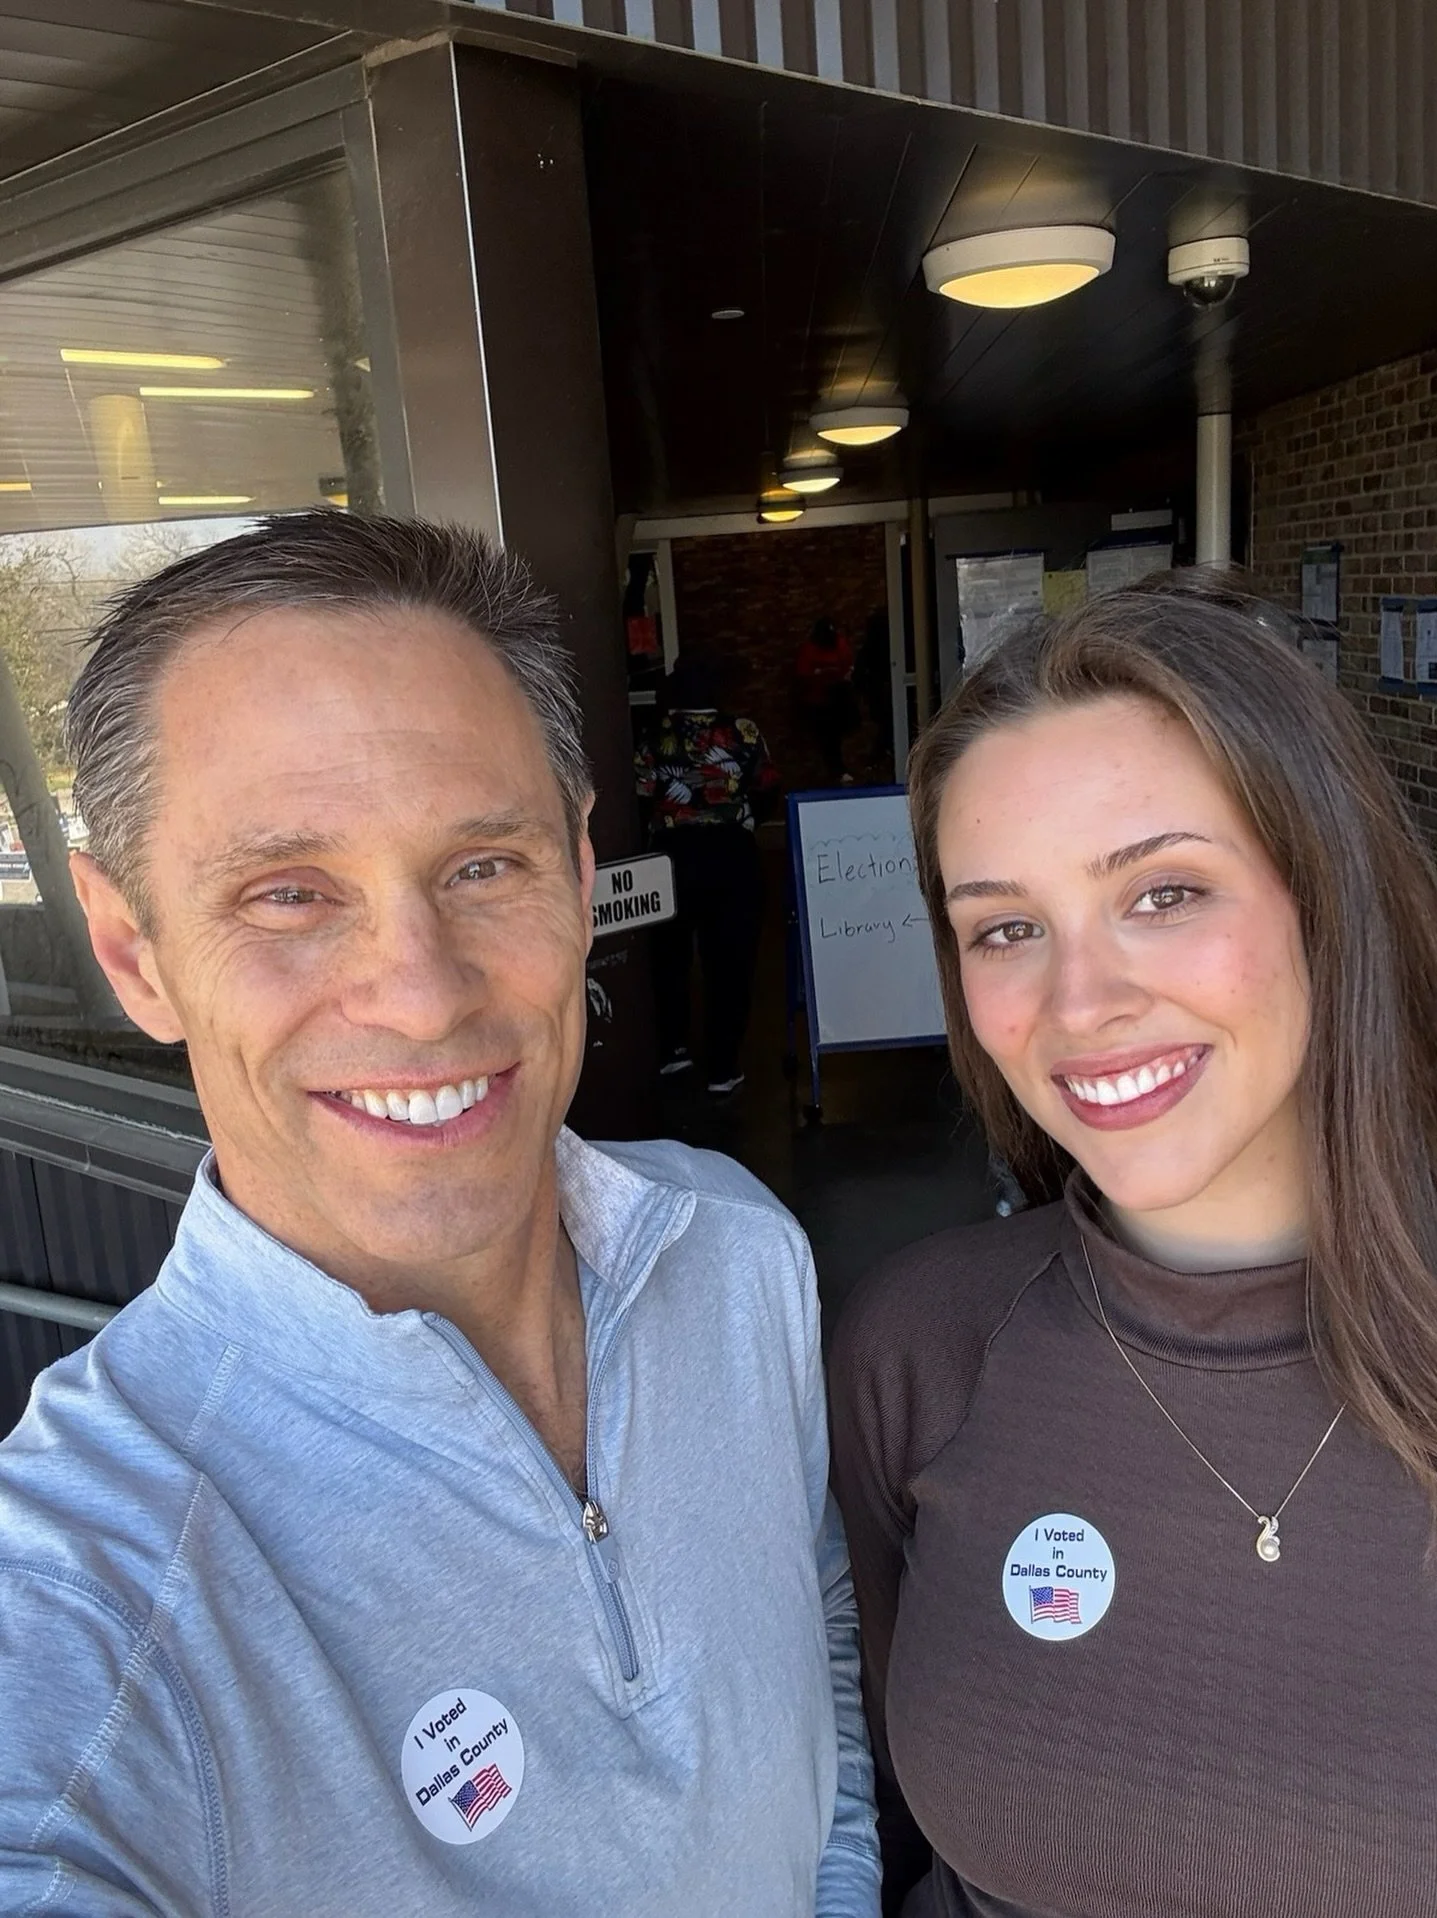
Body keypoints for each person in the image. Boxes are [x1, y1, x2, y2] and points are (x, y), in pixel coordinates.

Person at [0, 513, 880, 1917]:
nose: (418, 991)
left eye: (483, 865)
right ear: (131, 950)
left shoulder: (738, 1249)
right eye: (287, 893)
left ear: (581, 876)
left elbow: (811, 1637)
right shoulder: (95, 1590)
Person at [830, 574, 1437, 1916]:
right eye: (1007, 927)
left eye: (1163, 894)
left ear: (1322, 897)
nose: (1083, 1000)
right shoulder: (917, 1345)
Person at [635, 651, 778, 1095]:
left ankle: (674, 1050)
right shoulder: (743, 732)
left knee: (669, 957)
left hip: (670, 858)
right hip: (732, 854)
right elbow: (769, 788)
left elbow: (639, 795)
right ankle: (723, 1066)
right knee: (730, 962)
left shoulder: (654, 735)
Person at [796, 616, 857, 783]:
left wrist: (844, 675)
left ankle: (839, 770)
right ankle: (833, 771)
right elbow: (803, 674)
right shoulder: (809, 649)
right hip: (819, 702)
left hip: (839, 699)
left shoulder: (840, 643)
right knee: (826, 740)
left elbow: (848, 665)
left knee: (837, 738)